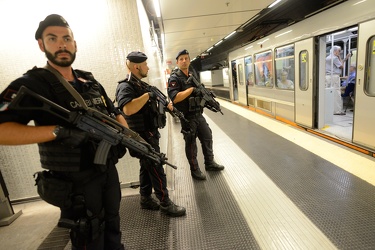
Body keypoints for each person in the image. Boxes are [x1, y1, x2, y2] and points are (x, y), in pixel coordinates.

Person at [0, 14, 127, 249]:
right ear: (41, 44)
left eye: (67, 38)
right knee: (89, 234)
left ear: (75, 44)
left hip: (107, 171)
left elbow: (114, 110)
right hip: (75, 179)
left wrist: (124, 135)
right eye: (53, 38)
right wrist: (59, 131)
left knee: (113, 223)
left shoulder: (89, 81)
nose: (62, 44)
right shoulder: (33, 83)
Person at [115, 51, 186, 217]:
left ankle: (145, 198)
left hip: (149, 132)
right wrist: (148, 95)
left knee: (146, 165)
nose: (148, 67)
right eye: (145, 64)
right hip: (140, 135)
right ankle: (165, 203)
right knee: (155, 164)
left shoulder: (141, 85)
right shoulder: (125, 86)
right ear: (136, 66)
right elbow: (127, 109)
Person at [167, 49, 224, 180]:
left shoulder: (192, 74)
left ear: (189, 60)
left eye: (186, 58)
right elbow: (175, 97)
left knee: (207, 136)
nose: (184, 61)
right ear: (177, 62)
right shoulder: (175, 78)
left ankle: (210, 163)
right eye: (181, 59)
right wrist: (191, 89)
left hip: (198, 114)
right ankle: (195, 170)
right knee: (191, 143)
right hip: (187, 116)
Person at [325, 45, 351, 115]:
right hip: (334, 77)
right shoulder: (335, 58)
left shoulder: (327, 57)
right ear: (335, 51)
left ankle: (328, 109)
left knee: (329, 93)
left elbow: (339, 63)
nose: (340, 52)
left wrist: (345, 58)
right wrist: (340, 57)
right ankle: (337, 111)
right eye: (339, 51)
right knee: (336, 93)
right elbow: (341, 66)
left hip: (327, 77)